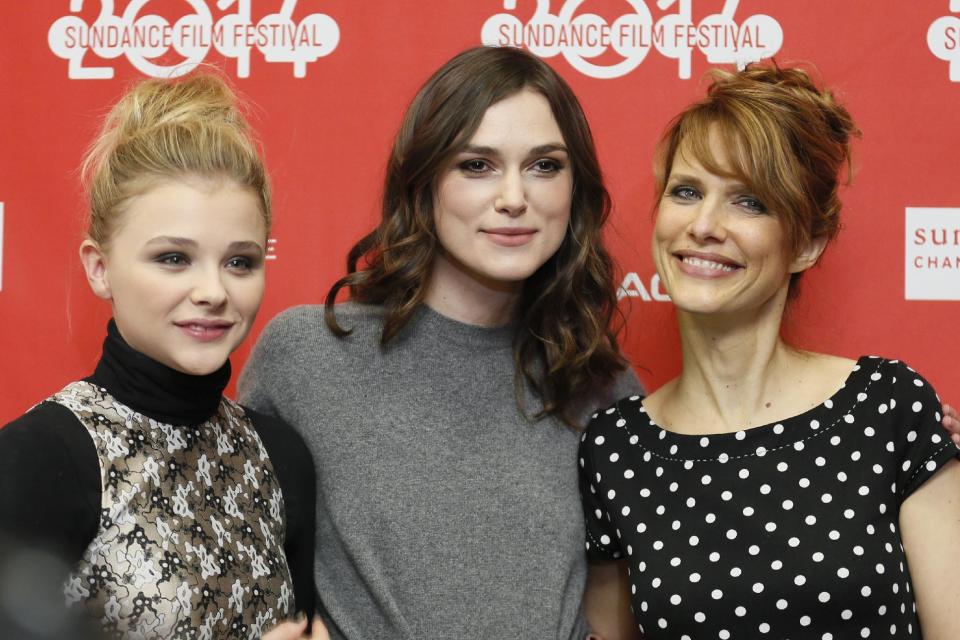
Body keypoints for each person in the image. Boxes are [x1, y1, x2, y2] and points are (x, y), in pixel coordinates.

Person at [238, 46, 643, 639]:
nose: (513, 197)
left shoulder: (603, 385)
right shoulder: (310, 355)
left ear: (575, 189)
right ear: (424, 182)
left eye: (545, 165)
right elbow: (235, 553)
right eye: (477, 165)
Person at [579, 63, 960, 639]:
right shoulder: (616, 449)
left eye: (749, 203)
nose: (704, 225)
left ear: (806, 243)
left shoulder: (887, 408)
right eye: (687, 192)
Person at [0, 74, 318, 639]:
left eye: (240, 261)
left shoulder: (281, 455)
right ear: (100, 268)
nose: (213, 291)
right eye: (174, 258)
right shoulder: (38, 457)